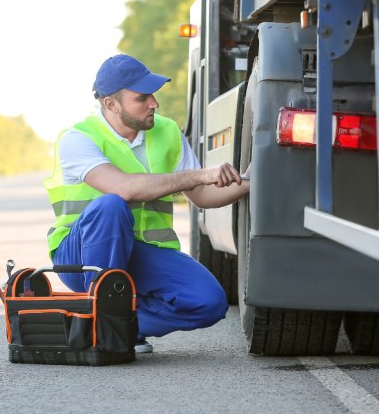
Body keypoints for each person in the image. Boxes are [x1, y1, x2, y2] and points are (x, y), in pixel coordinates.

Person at [43, 54, 250, 354]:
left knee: (210, 301)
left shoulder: (167, 132)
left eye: (153, 94)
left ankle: (117, 324)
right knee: (111, 205)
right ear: (111, 105)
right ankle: (101, 322)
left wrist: (251, 182)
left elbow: (203, 196)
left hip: (140, 252)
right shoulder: (77, 139)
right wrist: (200, 174)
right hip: (81, 256)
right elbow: (123, 188)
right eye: (142, 98)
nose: (154, 103)